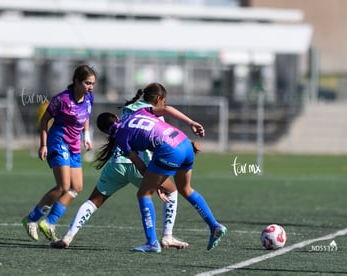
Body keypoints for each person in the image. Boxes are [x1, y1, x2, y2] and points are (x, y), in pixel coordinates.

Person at [51, 83, 191, 250]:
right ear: (159, 99)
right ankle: (167, 236)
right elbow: (161, 137)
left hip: (116, 163)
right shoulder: (151, 111)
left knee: (93, 201)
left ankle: (68, 237)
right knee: (172, 191)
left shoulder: (127, 108)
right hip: (140, 165)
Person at [95, 104, 227, 253]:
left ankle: (152, 243)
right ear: (117, 118)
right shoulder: (138, 112)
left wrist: (155, 185)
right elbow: (166, 108)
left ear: (105, 132)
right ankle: (214, 225)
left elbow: (140, 165)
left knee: (143, 193)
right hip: (184, 142)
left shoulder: (120, 137)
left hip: (169, 150)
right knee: (185, 189)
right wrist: (191, 122)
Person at [22, 64, 96, 241]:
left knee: (76, 187)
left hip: (74, 146)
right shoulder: (61, 99)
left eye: (93, 83)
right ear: (76, 81)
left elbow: (85, 117)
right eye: (87, 83)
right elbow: (45, 120)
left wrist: (86, 136)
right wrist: (43, 145)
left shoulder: (89, 98)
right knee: (63, 186)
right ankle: (31, 219)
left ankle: (49, 223)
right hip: (58, 142)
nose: (90, 87)